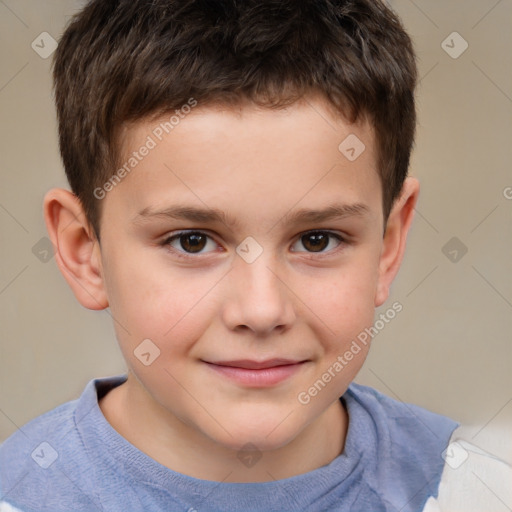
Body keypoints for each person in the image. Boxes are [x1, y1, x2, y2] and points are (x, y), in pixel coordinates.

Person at [2, 1, 507, 511]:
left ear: (388, 245)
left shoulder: (477, 493)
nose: (262, 310)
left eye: (317, 240)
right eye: (192, 241)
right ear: (85, 253)